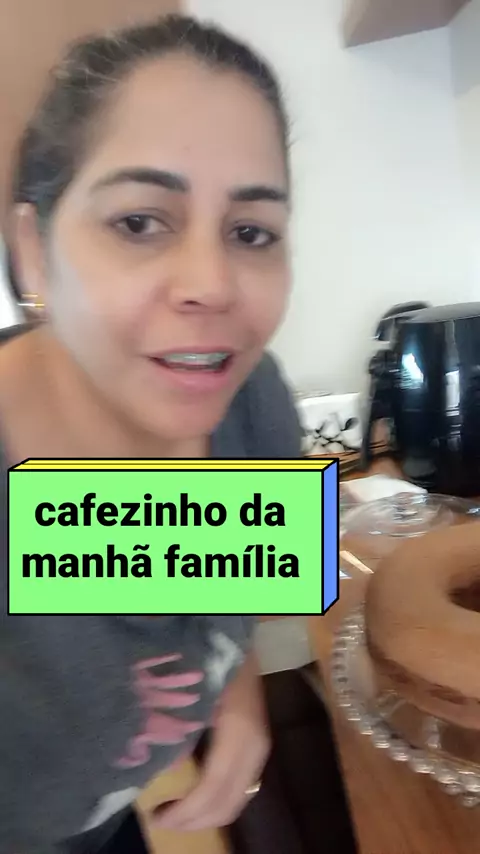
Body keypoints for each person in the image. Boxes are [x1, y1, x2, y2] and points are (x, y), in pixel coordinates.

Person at [0, 14, 301, 854]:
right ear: (34, 253)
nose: (212, 284)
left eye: (250, 232)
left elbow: (233, 571)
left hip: (106, 821)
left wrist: (238, 698)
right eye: (139, 222)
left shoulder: (249, 403)